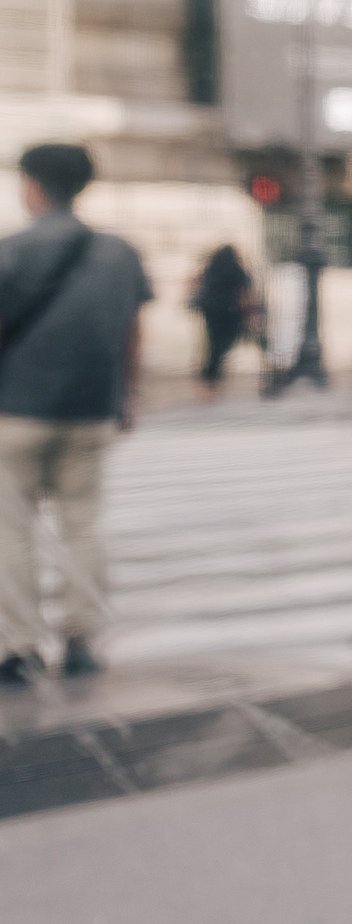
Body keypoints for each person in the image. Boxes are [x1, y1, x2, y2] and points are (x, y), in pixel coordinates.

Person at [0, 143, 153, 684]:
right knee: (83, 525)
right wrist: (128, 396)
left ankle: (16, 645)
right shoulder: (119, 253)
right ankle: (81, 637)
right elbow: (132, 334)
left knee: (11, 529)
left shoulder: (12, 250)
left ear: (33, 185)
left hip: (16, 410)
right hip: (90, 410)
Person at [189, 245, 257, 396]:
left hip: (212, 312)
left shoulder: (211, 269)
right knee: (223, 344)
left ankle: (209, 380)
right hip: (230, 312)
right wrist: (248, 314)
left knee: (213, 345)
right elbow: (243, 293)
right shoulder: (237, 271)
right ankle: (211, 379)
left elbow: (198, 284)